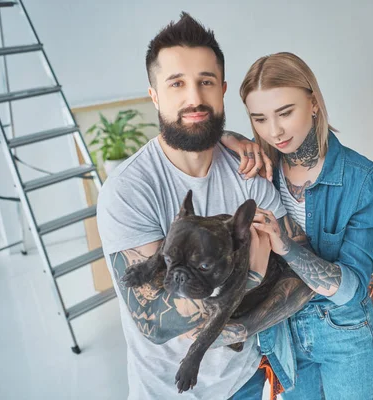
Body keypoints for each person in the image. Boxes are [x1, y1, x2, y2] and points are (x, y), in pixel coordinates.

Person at [96, 14, 314, 400]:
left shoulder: (251, 173)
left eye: (205, 82)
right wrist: (252, 271)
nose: (194, 98)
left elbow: (301, 271)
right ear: (154, 95)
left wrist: (245, 328)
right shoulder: (130, 190)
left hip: (246, 378)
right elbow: (155, 323)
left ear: (223, 90)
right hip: (166, 392)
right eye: (176, 83)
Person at [221, 52, 373, 399]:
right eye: (260, 119)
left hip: (344, 333)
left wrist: (285, 245)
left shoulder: (361, 178)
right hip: (283, 335)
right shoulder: (262, 172)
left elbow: (352, 288)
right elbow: (193, 136)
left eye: (286, 112)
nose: (275, 130)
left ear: (313, 102)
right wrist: (228, 137)